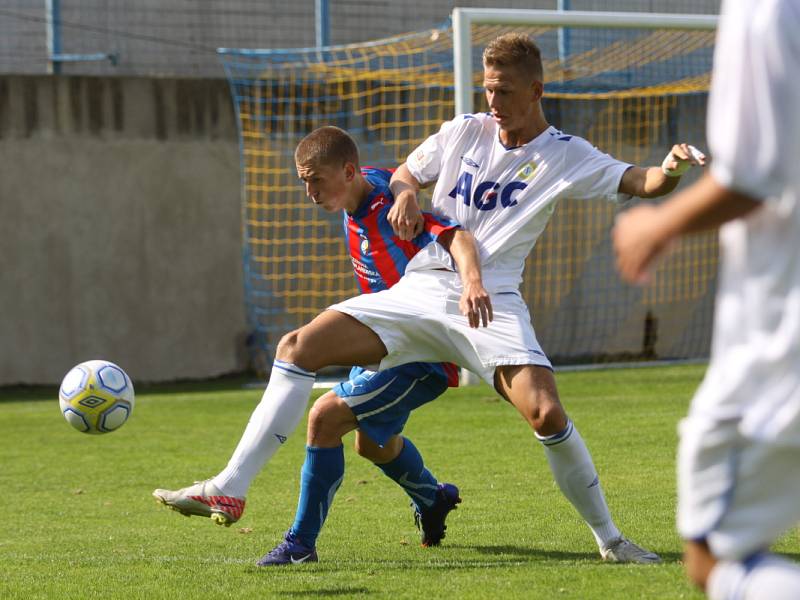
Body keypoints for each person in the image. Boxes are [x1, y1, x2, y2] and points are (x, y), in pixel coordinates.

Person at [158, 32, 701, 567]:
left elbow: (644, 182)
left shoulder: (565, 154)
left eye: (505, 91)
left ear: (536, 91)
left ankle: (610, 539)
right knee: (297, 346)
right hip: (421, 288)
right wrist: (406, 195)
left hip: (492, 298)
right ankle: (230, 486)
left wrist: (670, 167)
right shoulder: (465, 130)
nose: (493, 102)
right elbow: (405, 173)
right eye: (488, 89)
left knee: (546, 412)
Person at [155, 125, 485, 558]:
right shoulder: (366, 186)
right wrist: (406, 185)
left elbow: (454, 235)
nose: (309, 191)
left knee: (322, 410)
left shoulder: (391, 211)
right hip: (385, 342)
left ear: (348, 172)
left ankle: (291, 537)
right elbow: (397, 174)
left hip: (421, 354)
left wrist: (471, 282)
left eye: (316, 179)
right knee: (373, 444)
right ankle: (433, 497)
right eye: (303, 180)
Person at [613, 1, 800, 598]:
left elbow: (750, 176)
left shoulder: (765, 11)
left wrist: (656, 225)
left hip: (780, 342)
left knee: (715, 559)